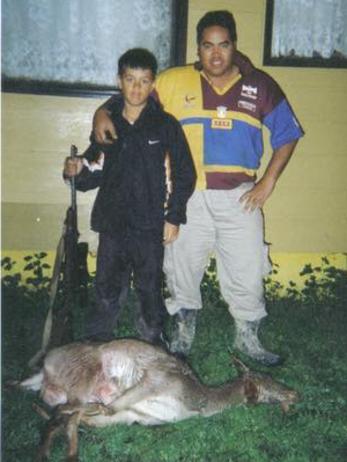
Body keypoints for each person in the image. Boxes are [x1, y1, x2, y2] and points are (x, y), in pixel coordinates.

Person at [92, 11, 304, 365]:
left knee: (248, 267)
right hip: (188, 195)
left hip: (241, 197)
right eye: (208, 46)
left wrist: (268, 181)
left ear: (234, 46)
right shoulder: (175, 81)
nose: (216, 54)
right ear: (198, 48)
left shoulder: (260, 85)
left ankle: (247, 336)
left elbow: (289, 133)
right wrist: (103, 109)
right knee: (181, 266)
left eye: (224, 45)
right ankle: (183, 330)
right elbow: (134, 95)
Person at [63, 48, 196, 345]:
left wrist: (173, 216)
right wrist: (76, 170)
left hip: (150, 226)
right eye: (130, 79)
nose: (136, 88)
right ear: (119, 81)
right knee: (107, 287)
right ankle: (96, 343)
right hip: (112, 225)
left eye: (144, 81)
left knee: (149, 288)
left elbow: (184, 175)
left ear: (152, 85)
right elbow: (92, 168)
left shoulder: (166, 126)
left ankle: (151, 341)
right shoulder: (107, 128)